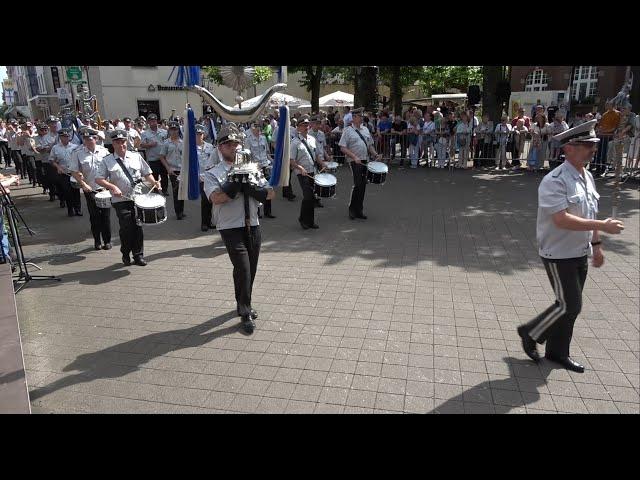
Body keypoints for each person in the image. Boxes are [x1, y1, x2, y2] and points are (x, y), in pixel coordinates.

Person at [517, 120, 625, 373]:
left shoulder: (587, 177)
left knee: (568, 306)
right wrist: (602, 225)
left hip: (579, 251)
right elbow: (561, 219)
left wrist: (597, 244)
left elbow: (591, 212)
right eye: (587, 145)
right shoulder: (554, 180)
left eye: (593, 144)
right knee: (570, 305)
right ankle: (530, 332)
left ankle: (557, 352)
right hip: (557, 252)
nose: (592, 149)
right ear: (568, 148)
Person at [204, 123, 275, 334]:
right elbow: (215, 198)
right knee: (243, 267)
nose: (233, 147)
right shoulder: (213, 173)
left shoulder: (252, 168)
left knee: (249, 269)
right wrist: (235, 188)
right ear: (219, 147)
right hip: (230, 226)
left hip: (252, 224)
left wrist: (252, 188)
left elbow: (270, 193)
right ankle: (245, 311)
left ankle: (242, 301)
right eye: (227, 144)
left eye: (235, 143)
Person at [95, 130, 160, 266]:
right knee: (126, 227)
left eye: (123, 141)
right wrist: (113, 187)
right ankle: (125, 253)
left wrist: (154, 183)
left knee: (138, 226)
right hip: (121, 200)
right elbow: (99, 179)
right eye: (117, 142)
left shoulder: (136, 156)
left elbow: (147, 173)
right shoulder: (107, 160)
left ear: (127, 142)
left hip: (138, 198)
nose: (121, 145)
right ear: (113, 144)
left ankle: (138, 255)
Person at [70, 127, 112, 250]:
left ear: (96, 139)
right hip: (90, 189)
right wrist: (83, 184)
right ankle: (97, 241)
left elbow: (111, 168)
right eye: (86, 139)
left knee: (105, 216)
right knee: (94, 216)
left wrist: (110, 185)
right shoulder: (78, 153)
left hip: (104, 189)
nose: (88, 141)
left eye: (91, 139)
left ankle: (107, 240)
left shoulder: (104, 151)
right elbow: (73, 170)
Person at [339, 107, 382, 220]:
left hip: (365, 160)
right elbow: (342, 147)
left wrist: (375, 154)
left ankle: (359, 210)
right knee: (357, 184)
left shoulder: (365, 129)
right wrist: (354, 156)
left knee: (363, 185)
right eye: (359, 116)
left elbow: (369, 145)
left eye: (362, 116)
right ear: (353, 118)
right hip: (354, 161)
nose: (362, 118)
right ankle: (352, 210)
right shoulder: (347, 131)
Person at [290, 115, 327, 229]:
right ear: (298, 128)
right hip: (302, 173)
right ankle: (303, 220)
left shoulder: (312, 139)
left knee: (312, 197)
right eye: (303, 125)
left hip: (313, 171)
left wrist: (322, 163)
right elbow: (291, 160)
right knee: (307, 196)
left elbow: (316, 155)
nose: (306, 127)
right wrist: (300, 168)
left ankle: (310, 221)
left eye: (307, 125)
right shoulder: (295, 143)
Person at [244, 120, 275, 220]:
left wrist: (273, 161)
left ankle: (268, 211)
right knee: (257, 190)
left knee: (268, 188)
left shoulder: (263, 138)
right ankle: (257, 212)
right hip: (255, 168)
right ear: (252, 129)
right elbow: (247, 156)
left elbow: (266, 153)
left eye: (259, 127)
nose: (257, 129)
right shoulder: (248, 140)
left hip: (265, 166)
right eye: (255, 127)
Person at [49, 128, 80, 216]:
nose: (65, 138)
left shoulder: (75, 147)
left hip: (74, 173)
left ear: (69, 137)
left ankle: (78, 209)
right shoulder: (55, 148)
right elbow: (51, 160)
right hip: (64, 173)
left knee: (76, 191)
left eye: (67, 136)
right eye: (63, 136)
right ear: (60, 137)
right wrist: (58, 167)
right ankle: (70, 209)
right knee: (67, 191)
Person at [159, 121, 185, 220]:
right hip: (173, 170)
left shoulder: (183, 142)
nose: (174, 132)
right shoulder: (166, 143)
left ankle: (181, 210)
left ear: (179, 130)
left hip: (182, 170)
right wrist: (168, 168)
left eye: (176, 129)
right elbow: (161, 156)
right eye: (172, 130)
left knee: (182, 191)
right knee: (176, 191)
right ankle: (178, 212)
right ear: (169, 131)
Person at [194, 124, 217, 231]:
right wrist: (197, 176)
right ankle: (204, 223)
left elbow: (214, 161)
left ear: (204, 135)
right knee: (205, 200)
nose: (199, 136)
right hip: (199, 177)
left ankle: (209, 221)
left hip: (209, 176)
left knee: (210, 199)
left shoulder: (210, 146)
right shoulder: (191, 148)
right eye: (197, 134)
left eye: (201, 134)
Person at [139, 113, 169, 196]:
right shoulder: (145, 133)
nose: (153, 122)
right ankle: (155, 190)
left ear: (157, 121)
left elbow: (168, 143)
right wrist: (149, 145)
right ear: (148, 122)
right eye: (151, 121)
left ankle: (165, 190)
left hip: (163, 158)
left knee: (164, 175)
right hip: (153, 158)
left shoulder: (164, 132)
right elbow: (141, 145)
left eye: (154, 121)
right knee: (154, 175)